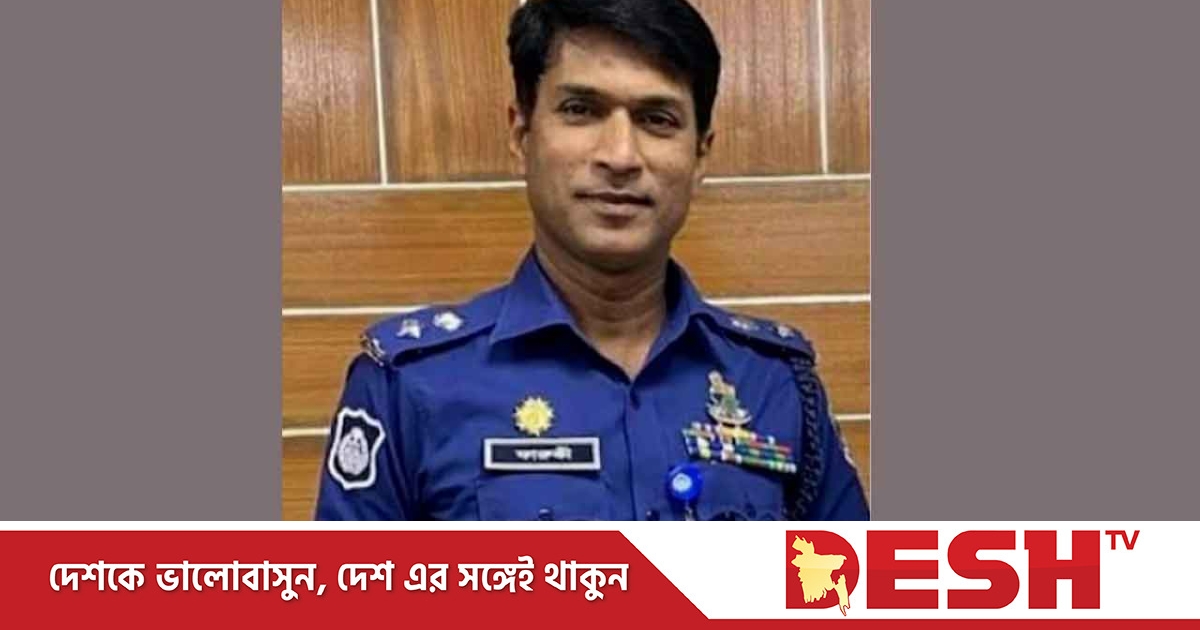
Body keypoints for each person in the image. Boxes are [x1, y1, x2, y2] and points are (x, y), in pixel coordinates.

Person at [314, 0, 869, 521]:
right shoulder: (410, 386)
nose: (620, 156)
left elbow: (847, 584)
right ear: (522, 134)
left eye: (657, 119)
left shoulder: (774, 383)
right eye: (581, 110)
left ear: (701, 154)